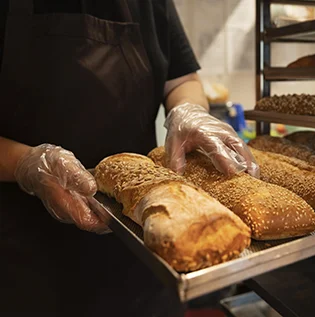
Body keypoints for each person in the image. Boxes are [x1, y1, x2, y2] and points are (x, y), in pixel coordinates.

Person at [0, 1, 259, 316]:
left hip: (145, 245)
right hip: (26, 258)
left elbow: (182, 79)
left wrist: (188, 110)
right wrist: (25, 163)